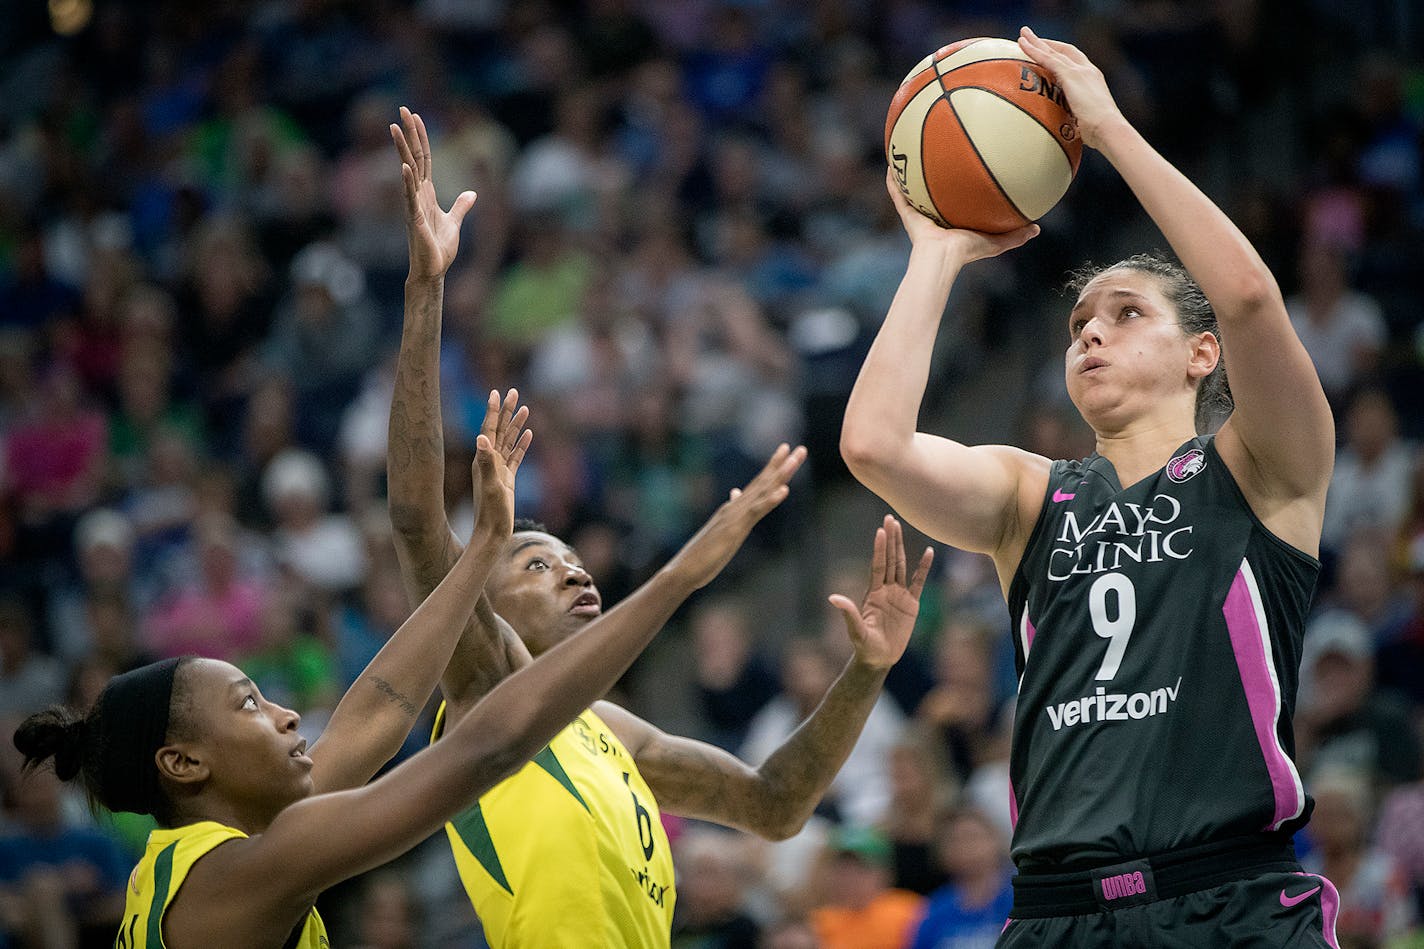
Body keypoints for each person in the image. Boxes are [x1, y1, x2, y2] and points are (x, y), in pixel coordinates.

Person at [386, 106, 934, 948]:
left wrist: (866, 673)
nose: (572, 572)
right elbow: (420, 520)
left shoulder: (611, 729)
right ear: (476, 604)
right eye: (537, 564)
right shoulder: (483, 685)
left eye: (570, 558)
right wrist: (428, 286)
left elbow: (773, 804)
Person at [840, 27, 1337, 948]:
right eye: (1077, 323)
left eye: (1124, 313)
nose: (1090, 334)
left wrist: (1109, 131)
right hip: (1056, 914)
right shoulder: (1032, 496)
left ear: (1201, 354)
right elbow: (872, 443)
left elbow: (1253, 299)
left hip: (1227, 899)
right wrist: (938, 255)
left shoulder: (1260, 468)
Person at [11, 392, 803, 948]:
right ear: (184, 762)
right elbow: (485, 747)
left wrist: (485, 545)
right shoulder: (234, 874)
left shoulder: (214, 849)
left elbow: (388, 702)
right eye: (250, 703)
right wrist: (677, 579)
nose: (288, 714)